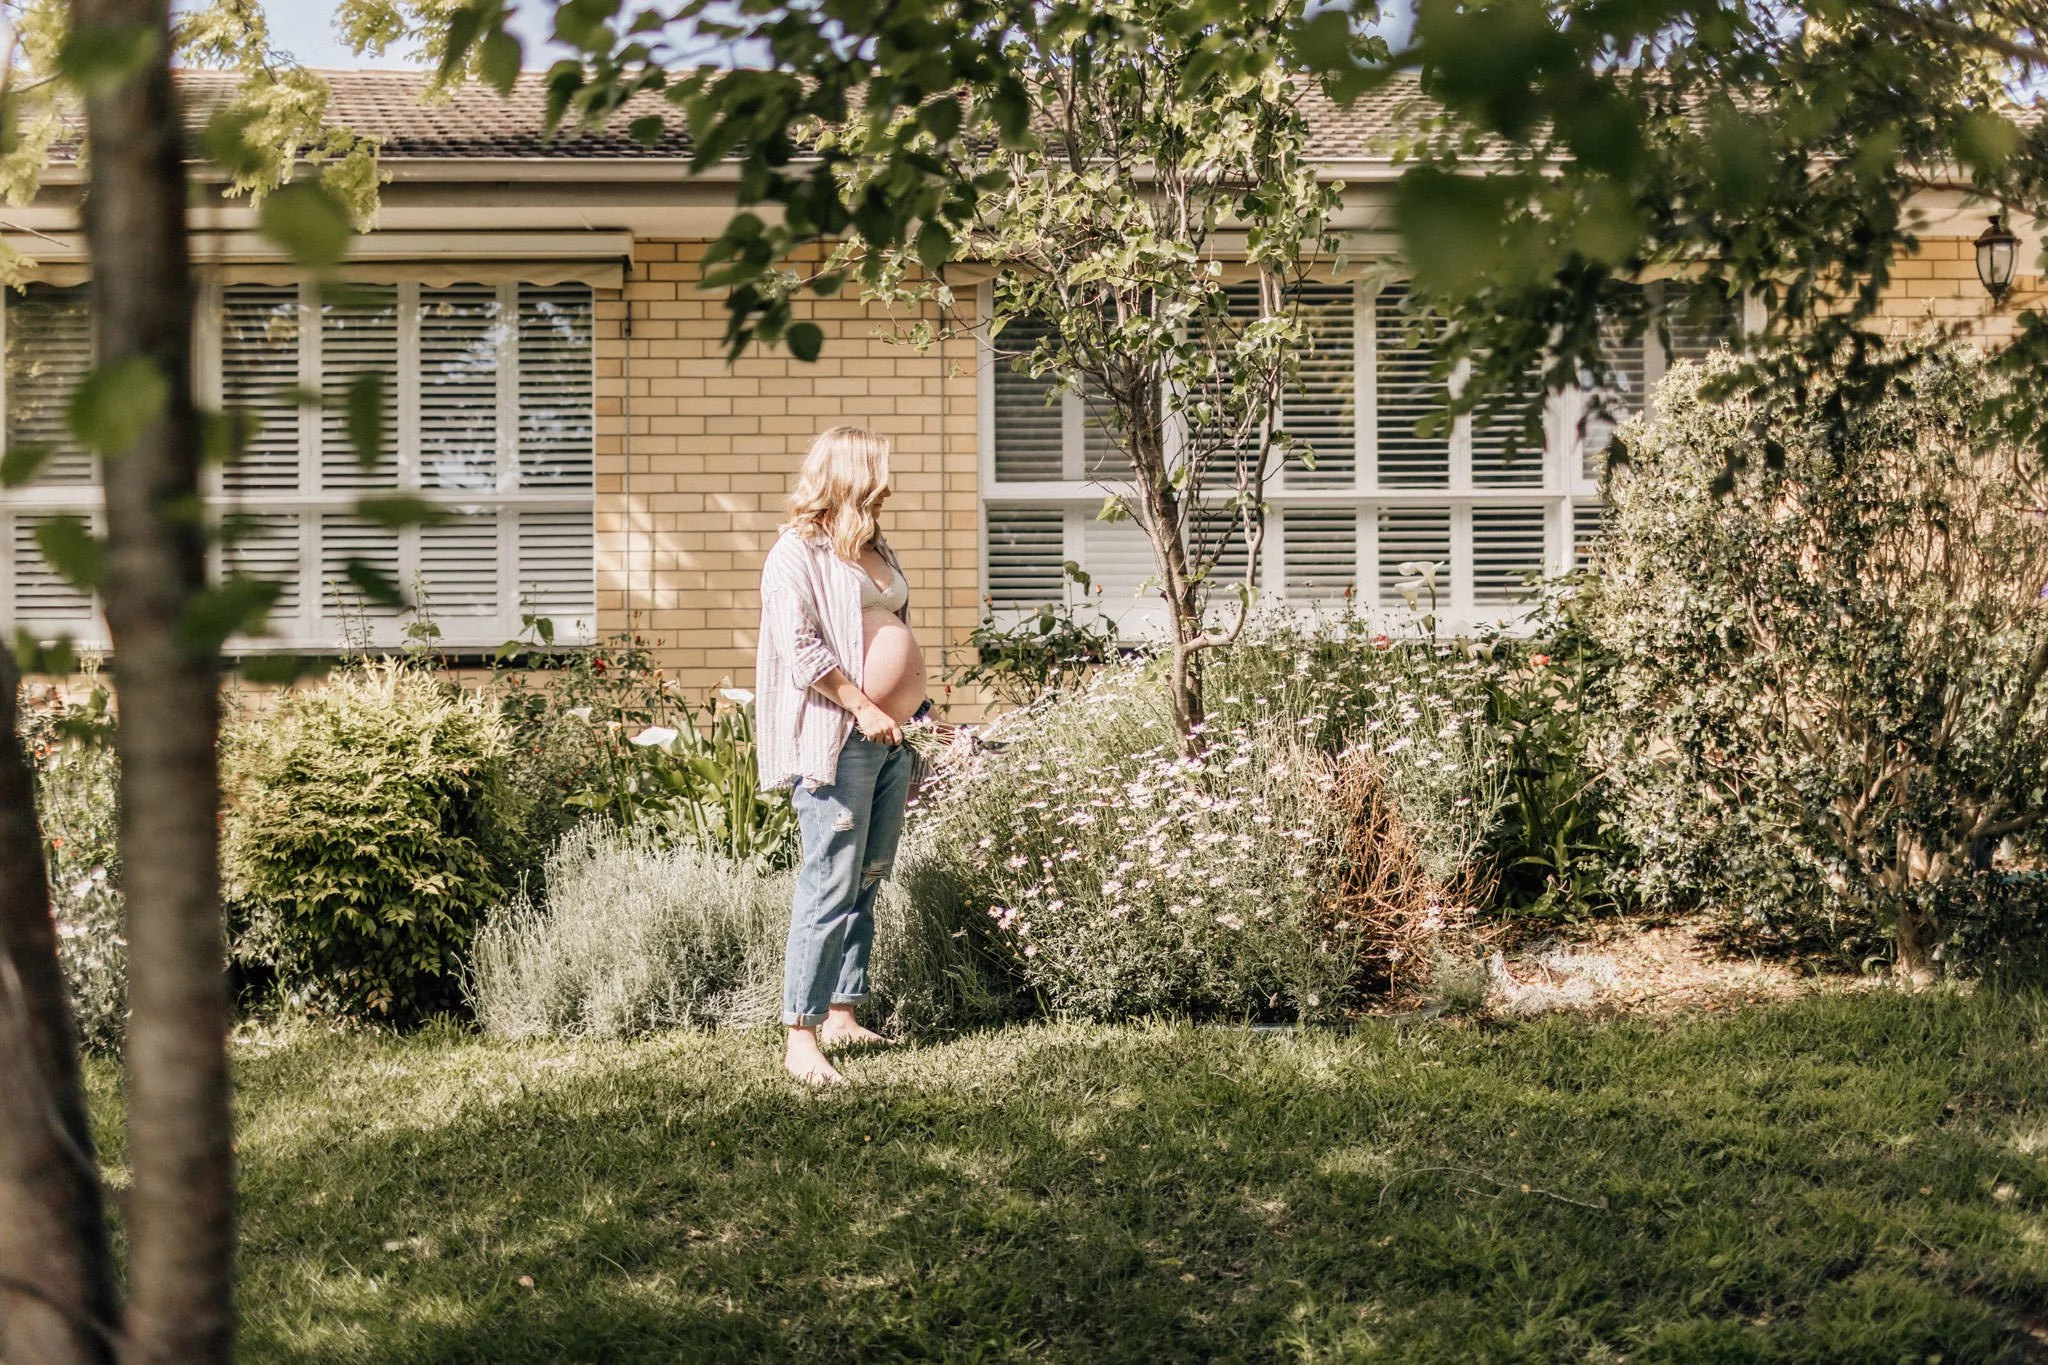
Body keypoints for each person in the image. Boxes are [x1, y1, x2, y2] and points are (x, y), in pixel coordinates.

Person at [756, 425, 928, 1084]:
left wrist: (914, 706)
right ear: (851, 477)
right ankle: (800, 1035)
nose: (887, 486)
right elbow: (800, 647)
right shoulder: (795, 552)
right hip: (839, 736)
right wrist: (863, 704)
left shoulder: (873, 546)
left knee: (868, 875)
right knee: (829, 882)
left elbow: (896, 633)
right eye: (877, 475)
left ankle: (842, 1012)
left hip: (890, 734)